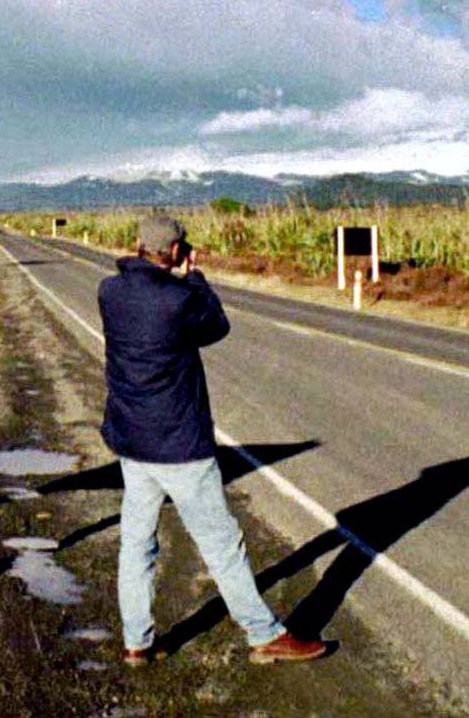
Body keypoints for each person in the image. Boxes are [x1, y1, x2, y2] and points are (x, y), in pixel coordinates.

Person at [97, 214, 328, 667]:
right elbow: (216, 325)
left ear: (138, 245)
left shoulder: (110, 291)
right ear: (178, 252)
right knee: (222, 545)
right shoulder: (180, 299)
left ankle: (137, 641)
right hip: (180, 445)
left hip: (132, 441)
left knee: (137, 544)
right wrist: (197, 278)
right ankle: (263, 635)